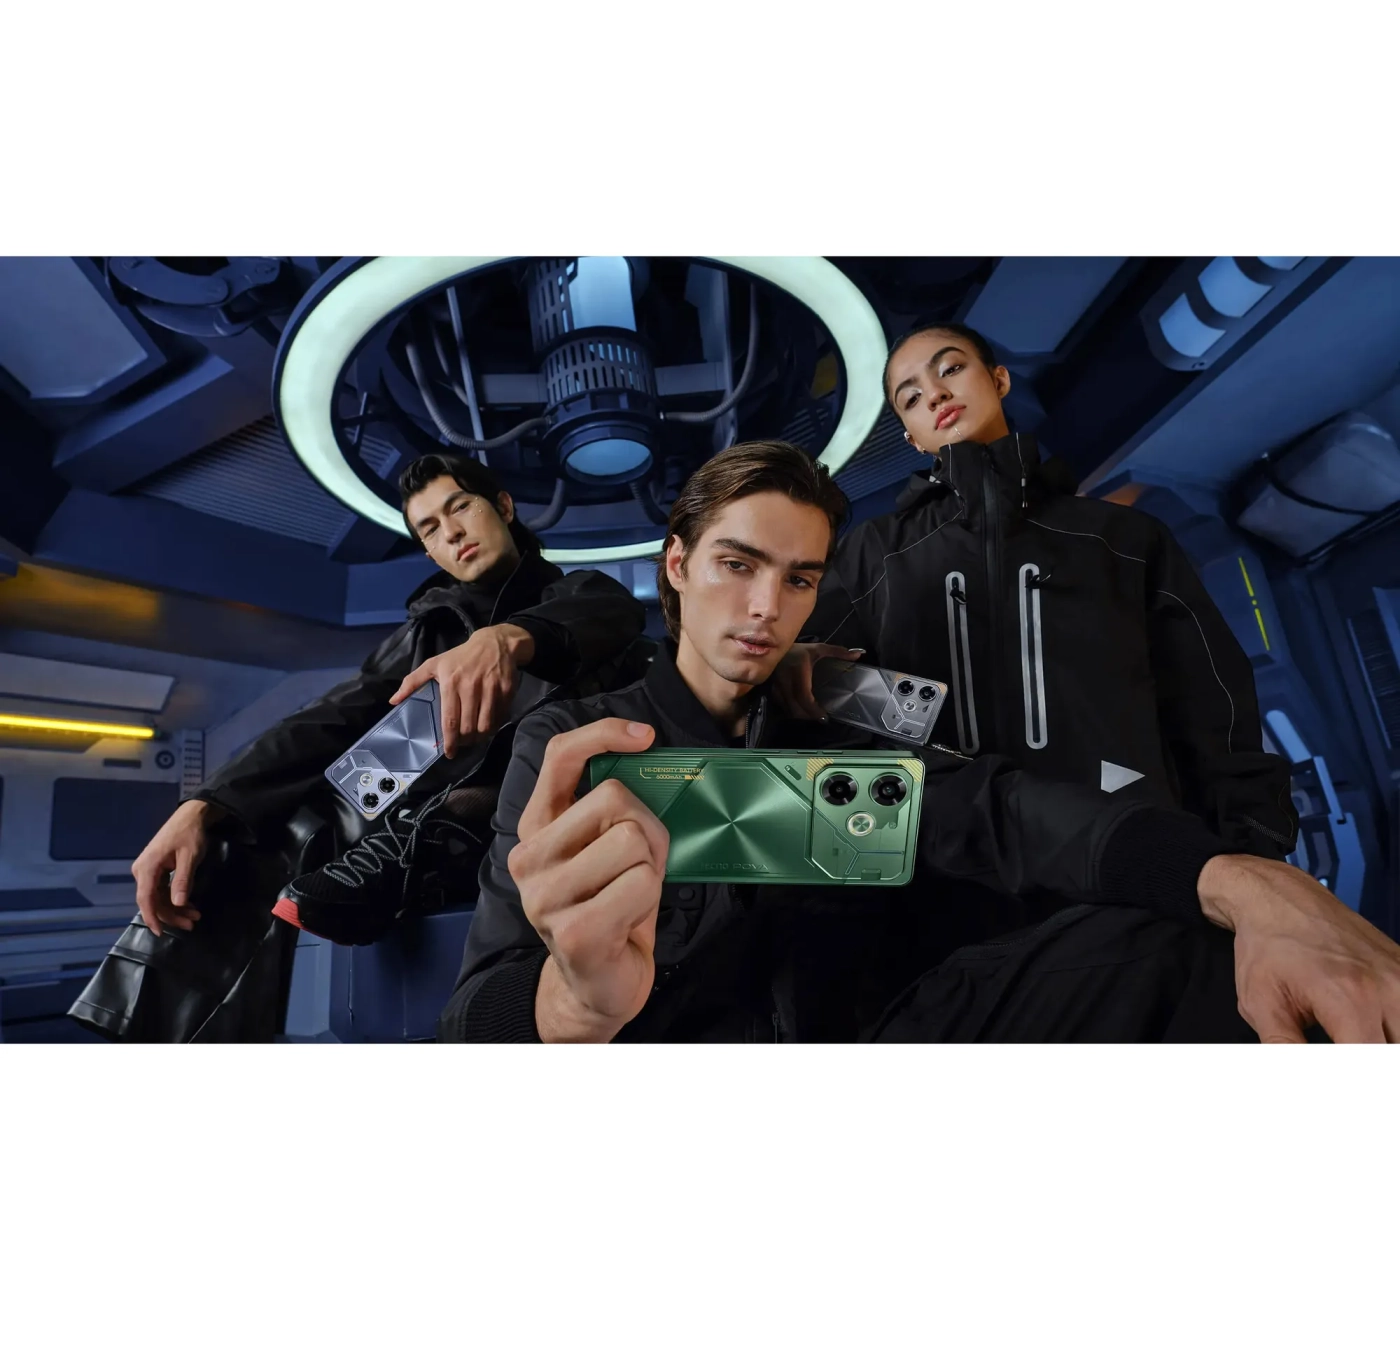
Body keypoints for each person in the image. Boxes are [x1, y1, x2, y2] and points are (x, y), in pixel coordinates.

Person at [437, 440, 1400, 1044]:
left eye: (800, 579)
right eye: (738, 564)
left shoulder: (836, 726)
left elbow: (1005, 814)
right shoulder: (576, 744)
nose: (767, 606)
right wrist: (569, 1007)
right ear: (678, 566)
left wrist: (1244, 880)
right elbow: (472, 1019)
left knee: (1185, 944)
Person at [779, 321, 1300, 866]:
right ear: (912, 438)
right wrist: (795, 659)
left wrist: (1255, 843)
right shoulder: (874, 554)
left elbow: (1209, 703)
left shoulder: (1122, 540)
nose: (934, 394)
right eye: (911, 399)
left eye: (951, 369)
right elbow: (798, 677)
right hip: (953, 867)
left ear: (999, 380)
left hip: (1125, 855)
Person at [130, 452, 647, 949]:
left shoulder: (586, 595)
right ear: (429, 553)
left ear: (504, 508)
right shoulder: (423, 637)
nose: (452, 532)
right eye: (430, 529)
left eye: (461, 507)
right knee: (232, 851)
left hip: (557, 811)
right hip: (396, 829)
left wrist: (506, 640)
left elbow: (611, 613)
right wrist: (205, 804)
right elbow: (328, 719)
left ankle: (431, 835)